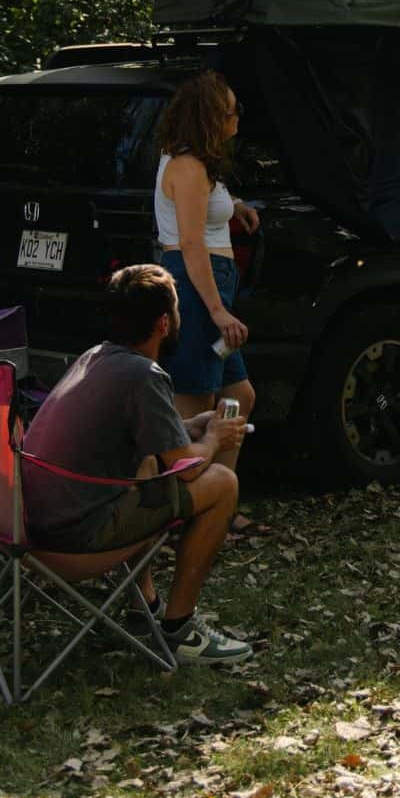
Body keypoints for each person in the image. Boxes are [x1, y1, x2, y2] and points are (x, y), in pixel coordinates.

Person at [22, 264, 253, 664]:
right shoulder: (143, 374)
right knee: (221, 483)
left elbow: (146, 437)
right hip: (75, 538)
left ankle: (141, 607)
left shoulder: (96, 357)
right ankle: (180, 630)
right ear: (164, 322)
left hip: (32, 523)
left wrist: (190, 426)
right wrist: (215, 440)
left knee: (147, 463)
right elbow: (188, 469)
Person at [154, 70, 259, 529]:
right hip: (198, 293)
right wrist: (217, 310)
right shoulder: (187, 168)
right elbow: (191, 244)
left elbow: (205, 210)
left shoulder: (196, 163)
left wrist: (234, 207)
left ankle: (221, 500)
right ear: (210, 117)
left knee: (239, 396)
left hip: (213, 284)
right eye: (231, 111)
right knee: (195, 406)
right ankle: (187, 508)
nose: (237, 119)